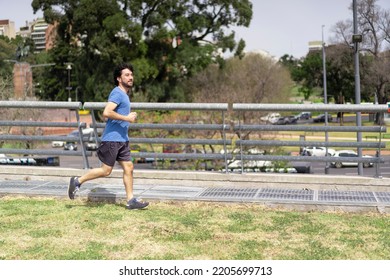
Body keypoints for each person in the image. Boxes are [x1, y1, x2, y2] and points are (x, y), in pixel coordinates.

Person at [67, 62, 149, 210]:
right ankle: (77, 181)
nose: (130, 77)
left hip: (122, 139)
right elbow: (107, 112)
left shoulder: (124, 94)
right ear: (119, 78)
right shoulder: (117, 93)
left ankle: (131, 200)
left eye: (131, 75)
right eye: (127, 75)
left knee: (129, 167)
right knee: (106, 171)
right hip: (112, 139)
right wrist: (127, 118)